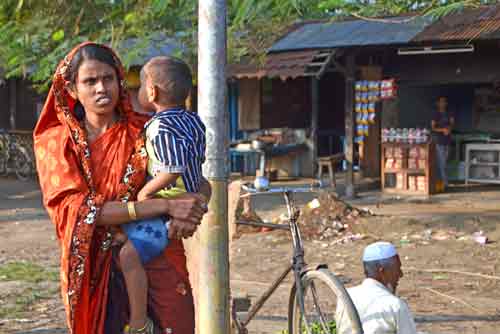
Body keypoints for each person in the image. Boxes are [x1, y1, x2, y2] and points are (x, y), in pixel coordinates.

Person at [34, 42, 210, 334]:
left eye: (108, 78)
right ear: (73, 90)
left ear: (119, 81)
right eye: (90, 81)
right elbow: (77, 211)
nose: (101, 88)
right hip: (92, 267)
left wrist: (192, 209)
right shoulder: (58, 143)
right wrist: (164, 206)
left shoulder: (147, 130)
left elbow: (197, 181)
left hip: (158, 255)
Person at [118, 56, 206, 334]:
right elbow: (197, 164)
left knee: (128, 256)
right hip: (187, 195)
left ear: (152, 91)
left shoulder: (159, 127)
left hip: (168, 206)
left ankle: (139, 322)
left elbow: (172, 168)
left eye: (141, 86)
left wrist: (146, 192)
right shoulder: (193, 120)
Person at [336, 242, 417, 334]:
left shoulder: (346, 296)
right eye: (397, 269)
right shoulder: (395, 305)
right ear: (382, 272)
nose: (401, 274)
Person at [432, 96, 454, 190]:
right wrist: (442, 130)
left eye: (444, 102)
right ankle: (445, 183)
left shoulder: (449, 113)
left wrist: (449, 129)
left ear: (446, 104)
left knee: (445, 162)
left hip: (448, 141)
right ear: (438, 103)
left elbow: (452, 123)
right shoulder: (435, 114)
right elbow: (433, 127)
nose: (443, 103)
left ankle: (441, 182)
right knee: (442, 163)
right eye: (441, 102)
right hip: (439, 141)